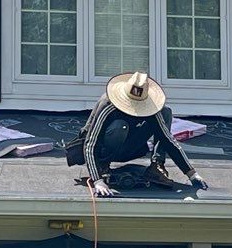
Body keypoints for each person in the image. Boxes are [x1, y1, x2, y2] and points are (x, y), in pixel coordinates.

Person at [66, 71, 209, 197]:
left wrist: (192, 174)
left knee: (165, 112)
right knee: (120, 126)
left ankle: (156, 167)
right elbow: (90, 144)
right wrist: (98, 180)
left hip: (131, 148)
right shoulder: (108, 105)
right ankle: (103, 166)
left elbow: (168, 140)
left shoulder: (152, 110)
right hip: (104, 149)